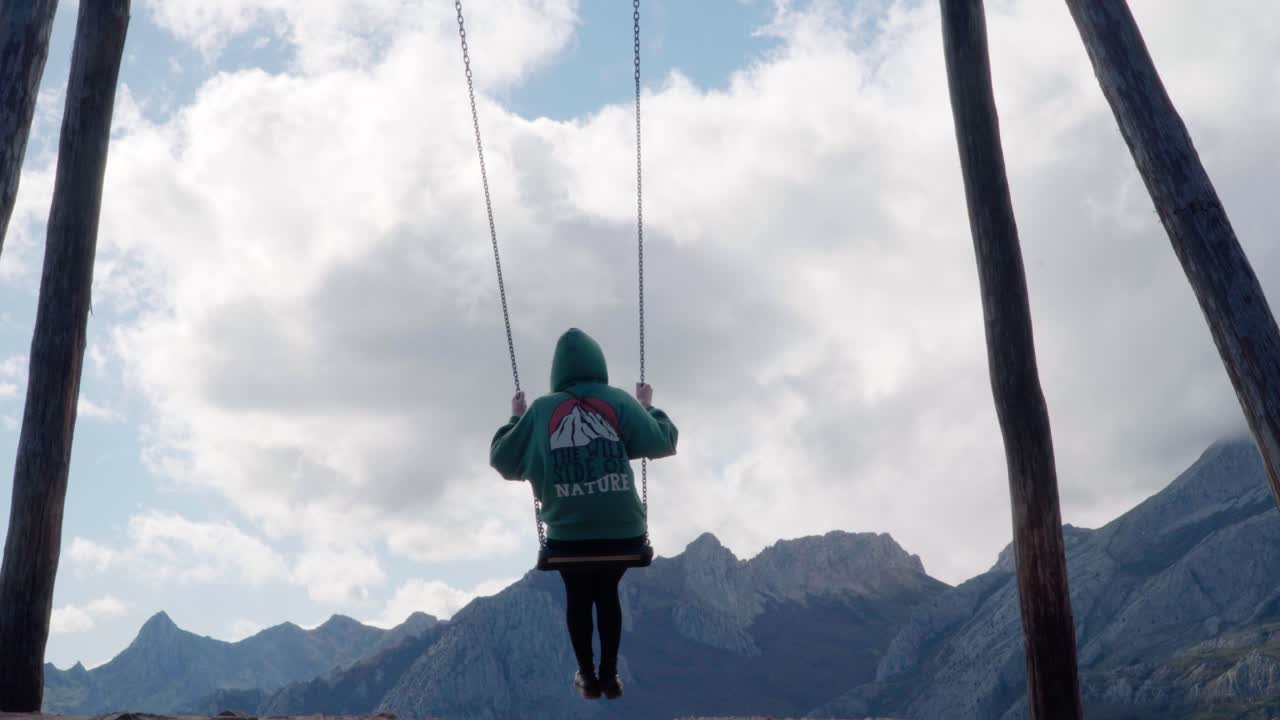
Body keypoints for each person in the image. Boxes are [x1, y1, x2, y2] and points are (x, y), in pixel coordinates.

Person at [490, 327, 678, 700]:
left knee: (578, 595)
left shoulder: (542, 410)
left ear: (557, 371)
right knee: (606, 592)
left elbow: (502, 459)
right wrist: (646, 407)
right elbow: (664, 440)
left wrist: (516, 419)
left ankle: (587, 676)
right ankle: (609, 674)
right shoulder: (619, 401)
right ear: (599, 364)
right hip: (623, 533)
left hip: (568, 538)